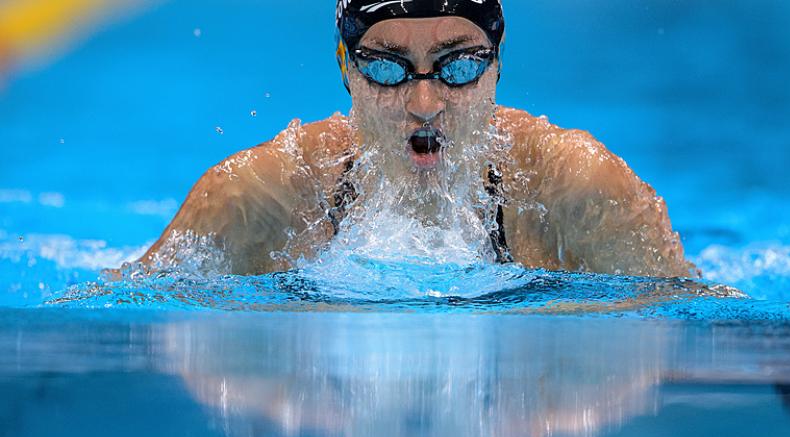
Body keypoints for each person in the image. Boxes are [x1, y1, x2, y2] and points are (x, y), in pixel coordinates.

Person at [134, 0, 695, 278]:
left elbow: (694, 332)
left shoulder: (578, 188)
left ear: (496, 68)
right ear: (347, 71)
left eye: (458, 67)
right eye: (386, 68)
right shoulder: (257, 198)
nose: (424, 105)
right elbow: (131, 319)